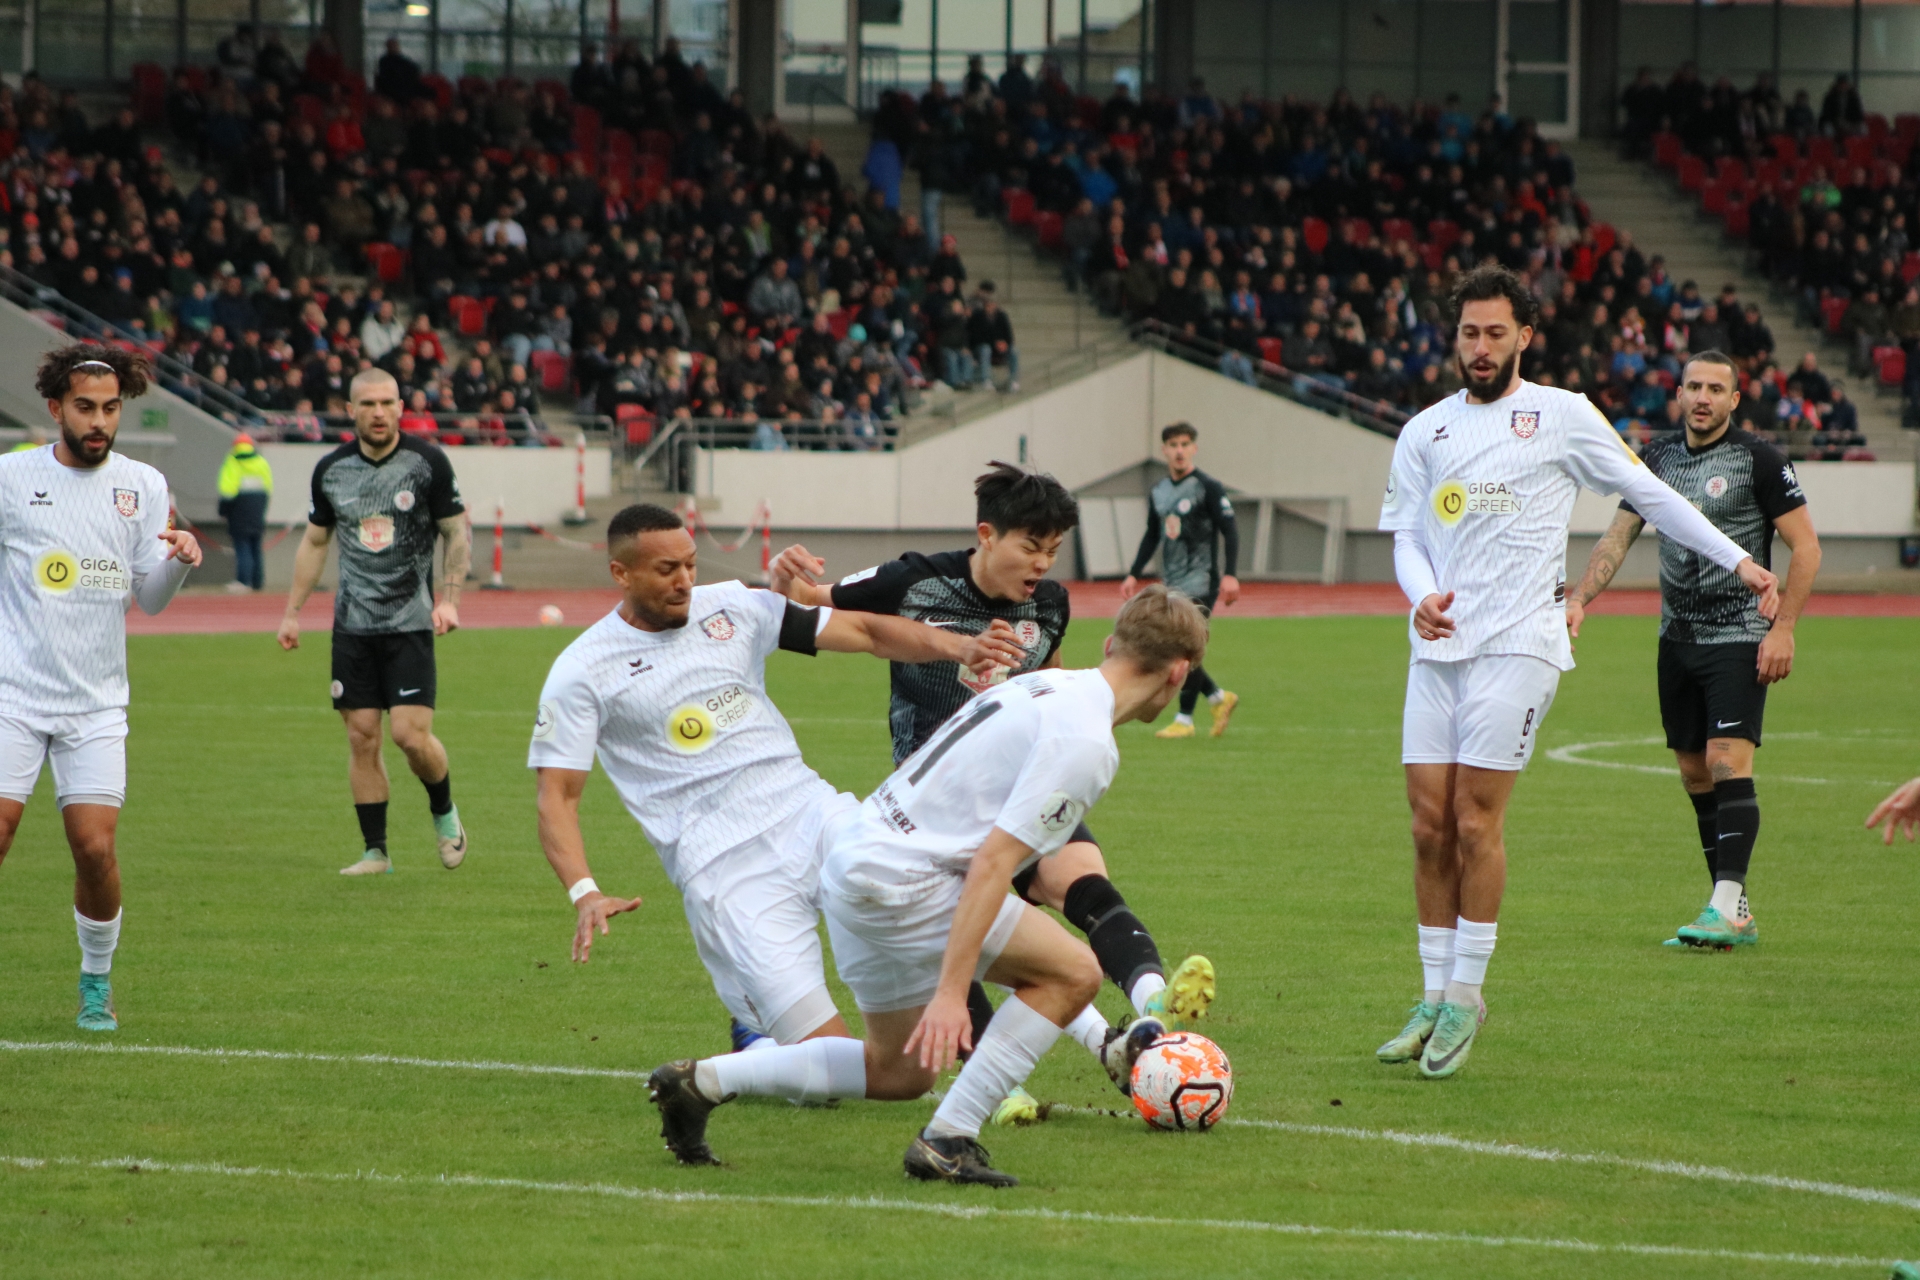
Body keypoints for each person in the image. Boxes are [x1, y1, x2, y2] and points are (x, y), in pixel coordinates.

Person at [648, 587, 1209, 1186]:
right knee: (1073, 973)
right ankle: (948, 1139)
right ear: (1179, 673)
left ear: (1111, 644)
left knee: (899, 1073)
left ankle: (702, 1082)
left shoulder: (1043, 685)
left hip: (857, 857)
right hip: (903, 881)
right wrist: (950, 992)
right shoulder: (1087, 742)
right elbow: (994, 866)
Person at [1374, 266, 1778, 1080]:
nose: (1480, 347)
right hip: (1439, 648)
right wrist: (1421, 598)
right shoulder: (1425, 430)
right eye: (1468, 332)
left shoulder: (1561, 415)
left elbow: (1649, 494)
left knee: (1475, 821)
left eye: (1495, 332)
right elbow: (1408, 536)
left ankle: (1466, 996)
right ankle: (1431, 995)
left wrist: (1739, 560)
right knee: (1427, 826)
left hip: (1522, 642)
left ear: (1524, 336)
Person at [767, 463, 1216, 1127]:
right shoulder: (915, 580)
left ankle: (1148, 1004)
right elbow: (812, 601)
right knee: (981, 923)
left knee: (1081, 880)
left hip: (1027, 777)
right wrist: (787, 579)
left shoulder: (1050, 603)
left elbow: (1055, 682)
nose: (1043, 564)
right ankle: (1007, 1073)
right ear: (987, 535)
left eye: (1053, 550)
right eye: (1031, 547)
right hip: (941, 800)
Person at [528, 504, 1021, 1082]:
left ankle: (1091, 1030)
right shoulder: (583, 669)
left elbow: (864, 632)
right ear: (621, 573)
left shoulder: (732, 606)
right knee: (838, 1067)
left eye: (689, 564)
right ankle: (752, 1044)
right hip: (724, 867)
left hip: (811, 813)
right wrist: (584, 892)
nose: (684, 580)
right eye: (666, 570)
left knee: (945, 902)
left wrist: (959, 646)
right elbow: (557, 797)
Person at [1568, 351, 1820, 948]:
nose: (1703, 397)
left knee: (1726, 761)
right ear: (1678, 394)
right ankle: (1732, 909)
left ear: (1735, 399)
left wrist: (1783, 629)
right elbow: (1618, 537)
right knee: (1693, 772)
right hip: (1676, 638)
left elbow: (1806, 548)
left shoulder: (1760, 459)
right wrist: (1578, 599)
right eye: (1694, 387)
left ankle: (1725, 907)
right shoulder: (1655, 459)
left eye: (1715, 388)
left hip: (1739, 633)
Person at [0, 344, 202, 1032]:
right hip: (13, 695)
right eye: (85, 408)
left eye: (110, 409)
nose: (99, 422)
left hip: (95, 703)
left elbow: (150, 599)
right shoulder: (11, 477)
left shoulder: (143, 485)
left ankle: (95, 980)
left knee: (94, 849)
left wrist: (179, 561)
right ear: (55, 408)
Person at [276, 369, 472, 875]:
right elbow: (315, 542)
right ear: (351, 410)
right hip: (353, 627)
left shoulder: (427, 462)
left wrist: (450, 600)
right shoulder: (331, 470)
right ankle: (376, 852)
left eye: (387, 402)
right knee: (362, 736)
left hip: (410, 622)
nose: (378, 412)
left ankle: (444, 812)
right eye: (368, 404)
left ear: (401, 407)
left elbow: (456, 532)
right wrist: (293, 613)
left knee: (410, 736)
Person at [1121, 423, 1241, 738]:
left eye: (1185, 444)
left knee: (1182, 648)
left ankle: (1185, 720)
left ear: (1194, 449)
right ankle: (1218, 698)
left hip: (1202, 580)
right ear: (1164, 450)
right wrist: (1134, 572)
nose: (1179, 450)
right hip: (1173, 582)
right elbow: (1152, 534)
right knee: (1177, 647)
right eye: (1173, 444)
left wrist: (1231, 574)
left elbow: (1230, 530)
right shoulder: (1159, 491)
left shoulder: (1208, 487)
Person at [216, 432, 273, 593]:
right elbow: (268, 488)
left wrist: (223, 511)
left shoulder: (233, 461)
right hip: (257, 508)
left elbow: (228, 491)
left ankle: (243, 581)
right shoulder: (261, 462)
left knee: (242, 546)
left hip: (239, 509)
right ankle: (257, 582)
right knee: (256, 546)